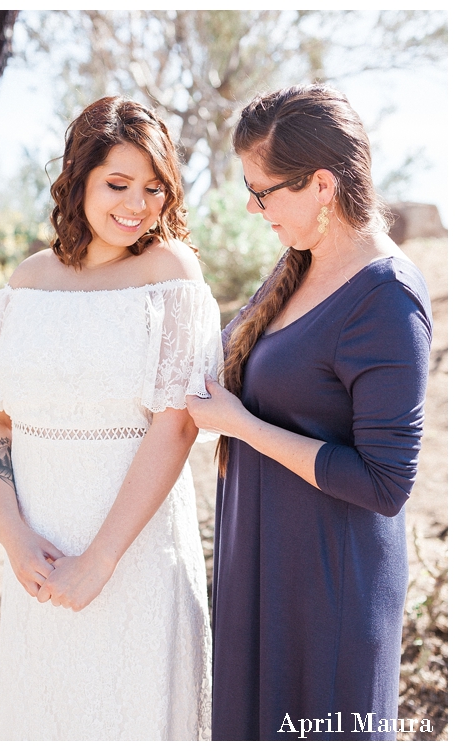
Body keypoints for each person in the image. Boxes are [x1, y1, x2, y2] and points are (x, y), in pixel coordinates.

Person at [0, 96, 221, 741]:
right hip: (39, 558)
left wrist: (100, 560)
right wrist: (13, 536)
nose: (136, 205)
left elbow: (177, 425)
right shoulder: (28, 282)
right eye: (117, 184)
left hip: (133, 556)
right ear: (77, 178)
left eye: (153, 189)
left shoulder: (171, 274)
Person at [185, 84, 432, 741]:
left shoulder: (386, 299)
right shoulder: (298, 265)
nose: (250, 204)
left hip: (326, 593)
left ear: (321, 184)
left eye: (262, 190)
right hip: (263, 570)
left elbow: (385, 484)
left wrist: (241, 425)